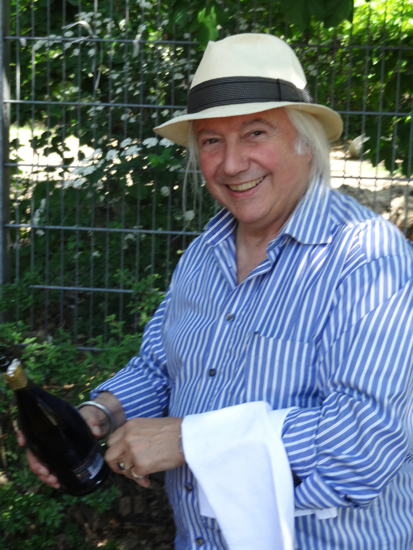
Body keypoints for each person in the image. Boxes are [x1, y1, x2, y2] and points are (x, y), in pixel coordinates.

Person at [22, 34, 413, 550]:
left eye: (255, 133)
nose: (230, 164)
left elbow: (363, 442)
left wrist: (190, 441)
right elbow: (161, 367)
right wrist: (99, 415)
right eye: (211, 141)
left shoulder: (367, 257)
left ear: (306, 141)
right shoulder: (206, 251)